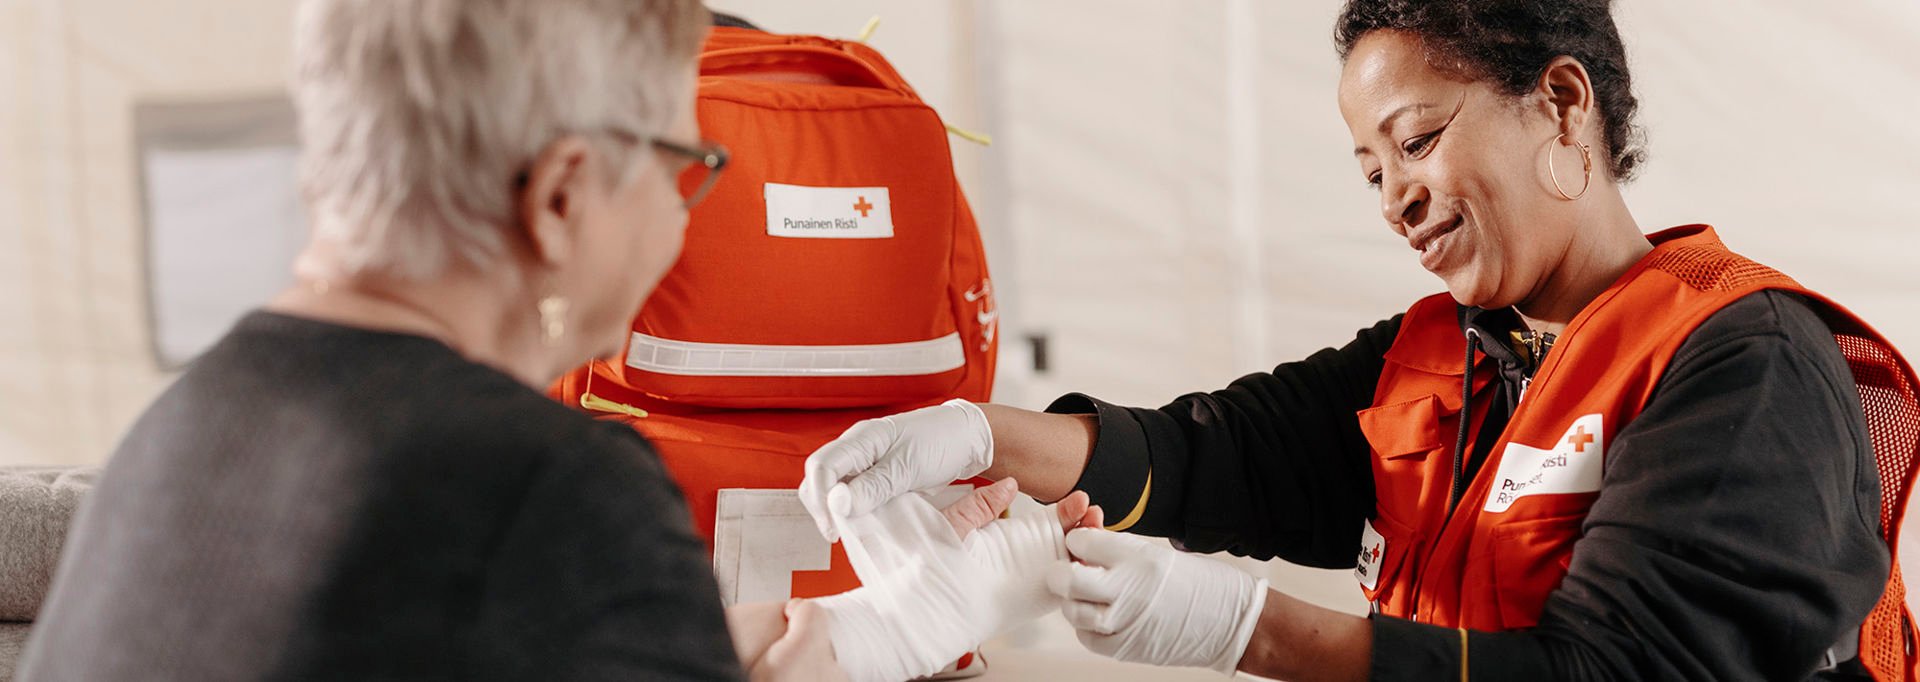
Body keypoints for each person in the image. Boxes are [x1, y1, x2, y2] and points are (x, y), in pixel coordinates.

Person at [799, 1, 1916, 680]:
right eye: (1372, 171)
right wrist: (978, 436)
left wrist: (1245, 629)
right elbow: (1218, 450)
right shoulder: (1446, 353)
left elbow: (1611, 670)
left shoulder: (1743, 361)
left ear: (1564, 104)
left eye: (1418, 141)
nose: (1396, 199)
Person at [16, 1, 1091, 680]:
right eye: (690, 170)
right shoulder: (546, 487)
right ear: (564, 195)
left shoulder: (189, 430)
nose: (683, 217)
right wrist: (878, 652)